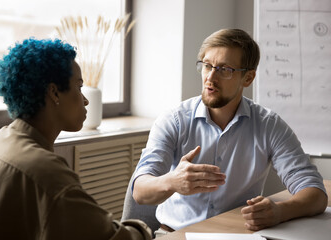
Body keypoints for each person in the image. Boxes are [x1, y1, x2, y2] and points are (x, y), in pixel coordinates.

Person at [131, 29, 328, 236]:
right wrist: (172, 181)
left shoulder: (268, 125)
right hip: (176, 234)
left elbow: (315, 193)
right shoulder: (174, 120)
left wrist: (280, 211)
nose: (210, 78)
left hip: (236, 234)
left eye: (225, 69)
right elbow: (140, 191)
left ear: (248, 78)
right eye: (207, 66)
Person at [0, 38, 151, 240]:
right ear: (54, 92)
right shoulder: (48, 173)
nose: (85, 100)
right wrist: (143, 230)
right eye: (79, 86)